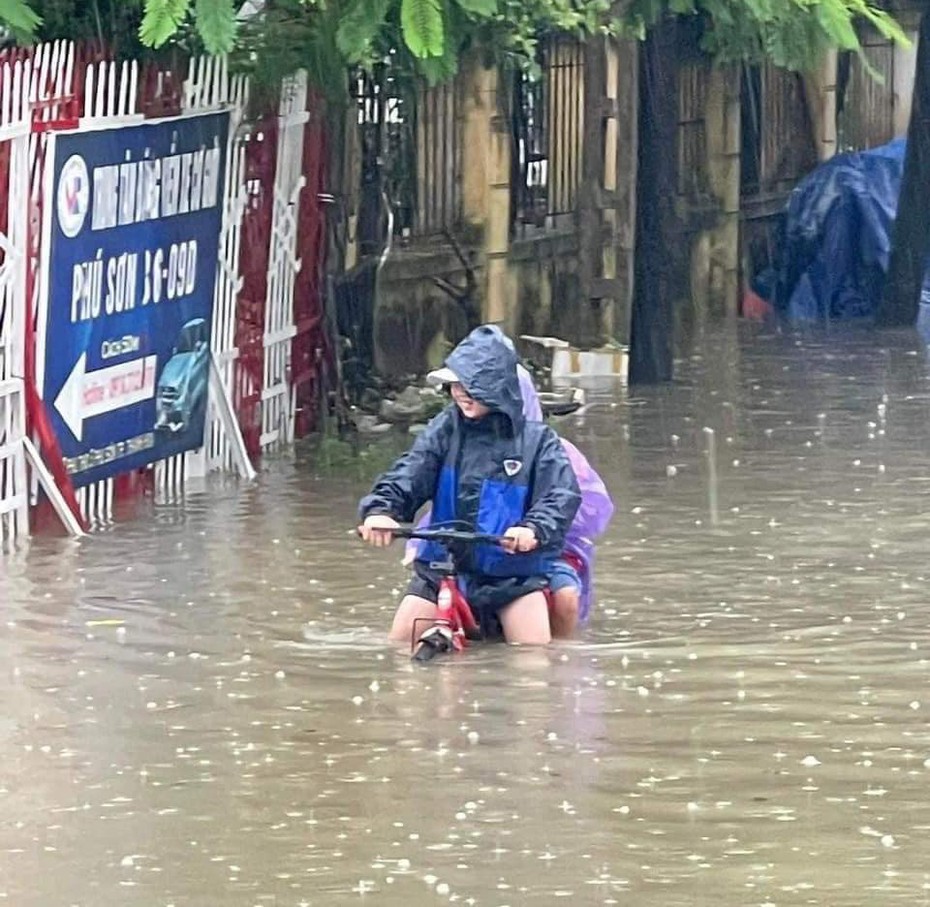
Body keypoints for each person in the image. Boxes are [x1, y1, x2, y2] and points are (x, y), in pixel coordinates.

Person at [358, 325, 582, 650]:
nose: (460, 393)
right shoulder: (445, 429)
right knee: (398, 650)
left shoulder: (538, 441)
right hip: (441, 567)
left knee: (534, 667)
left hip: (512, 576)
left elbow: (560, 496)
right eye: (454, 385)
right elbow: (410, 471)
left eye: (470, 386)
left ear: (496, 387)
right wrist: (382, 510)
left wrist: (533, 529)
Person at [404, 351, 614, 638]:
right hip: (467, 550)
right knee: (403, 638)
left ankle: (564, 655)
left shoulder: (551, 450)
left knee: (563, 599)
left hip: (536, 552)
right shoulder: (453, 440)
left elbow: (573, 504)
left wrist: (535, 530)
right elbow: (435, 493)